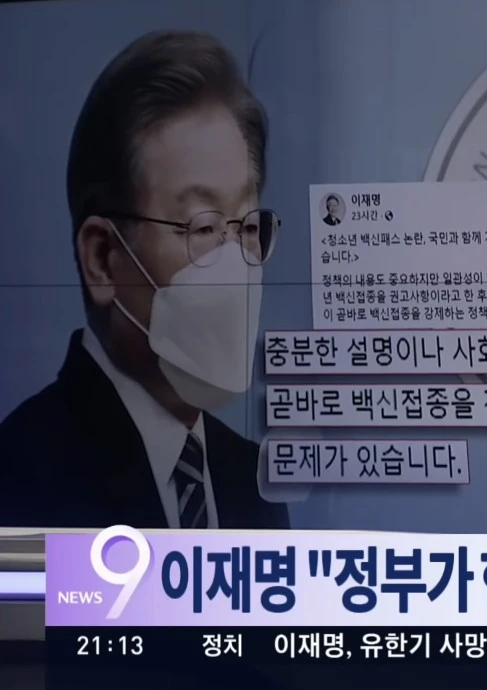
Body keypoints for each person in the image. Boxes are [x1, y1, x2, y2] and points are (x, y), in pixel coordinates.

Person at [0, 31, 289, 530]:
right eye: (202, 227)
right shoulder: (20, 476)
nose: (236, 266)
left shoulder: (252, 482)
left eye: (246, 227)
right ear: (102, 258)